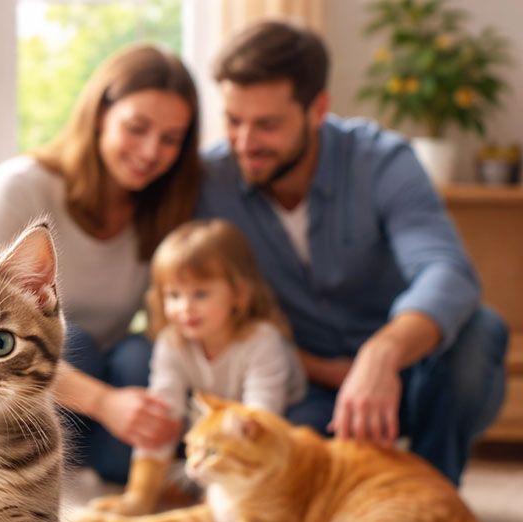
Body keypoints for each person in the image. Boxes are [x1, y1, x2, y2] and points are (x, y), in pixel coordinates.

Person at [197, 20, 508, 484]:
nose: (245, 143)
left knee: (481, 331)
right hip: (305, 385)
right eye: (233, 121)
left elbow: (448, 272)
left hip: (410, 377)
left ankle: (433, 487)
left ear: (317, 109)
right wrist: (322, 369)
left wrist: (380, 355)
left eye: (267, 124)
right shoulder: (210, 181)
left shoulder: (382, 161)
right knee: (287, 478)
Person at [0, 45, 200, 484]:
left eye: (170, 140)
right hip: (20, 376)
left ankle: (101, 462)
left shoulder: (167, 207)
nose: (151, 152)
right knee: (75, 341)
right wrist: (105, 403)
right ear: (99, 115)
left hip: (108, 370)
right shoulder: (21, 187)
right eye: (137, 128)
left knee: (142, 355)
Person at [101, 218, 306, 516]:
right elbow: (164, 413)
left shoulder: (263, 341)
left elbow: (259, 419)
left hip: (280, 414)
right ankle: (170, 490)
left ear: (238, 294)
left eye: (200, 294)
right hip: (216, 421)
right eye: (174, 295)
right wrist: (140, 494)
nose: (185, 308)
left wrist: (221, 492)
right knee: (170, 424)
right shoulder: (172, 342)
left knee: (300, 447)